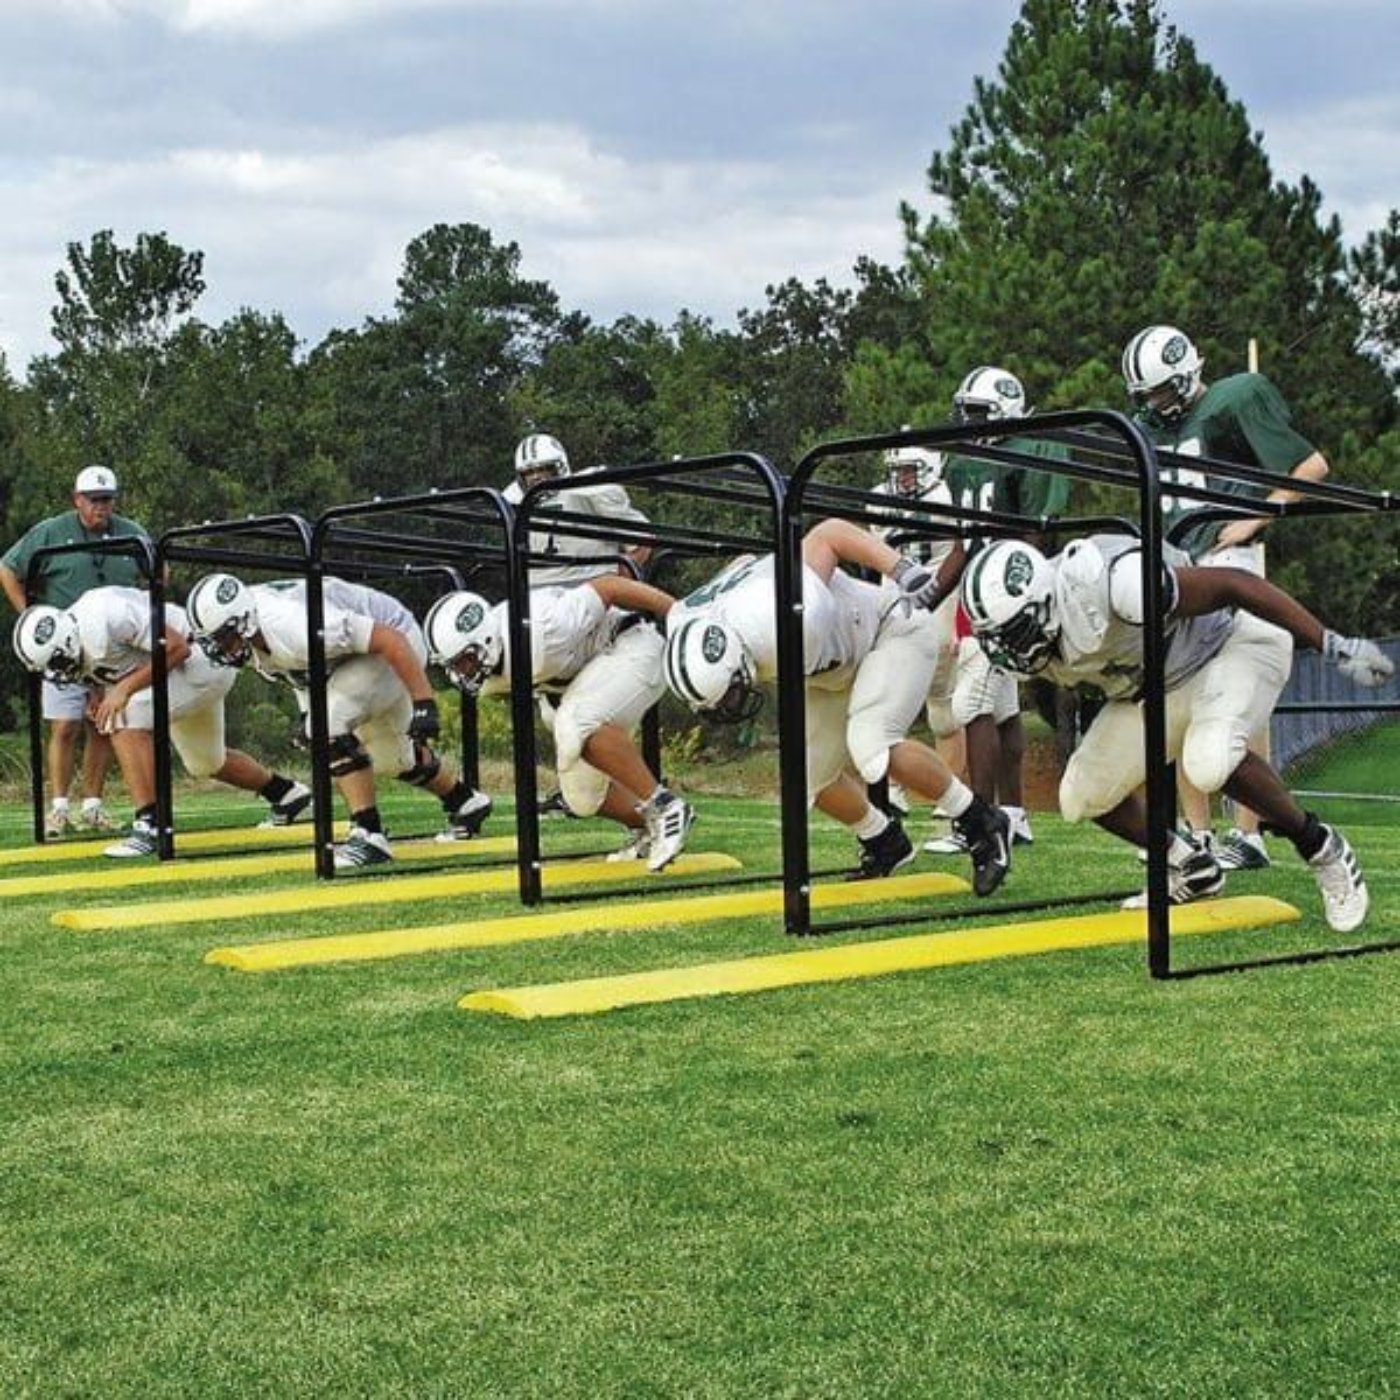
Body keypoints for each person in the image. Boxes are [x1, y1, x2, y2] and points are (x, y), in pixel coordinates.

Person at [961, 533, 1393, 931]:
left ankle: (1320, 845)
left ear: (1045, 603)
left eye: (1012, 634)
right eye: (995, 637)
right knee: (1082, 794)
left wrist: (1331, 644)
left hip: (1231, 645)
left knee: (1208, 762)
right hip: (1157, 684)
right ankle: (1191, 867)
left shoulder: (1114, 582)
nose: (1005, 649)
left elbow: (1233, 584)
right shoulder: (1035, 625)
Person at [663, 517, 1012, 895]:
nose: (731, 706)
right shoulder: (684, 622)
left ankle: (982, 820)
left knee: (872, 743)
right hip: (832, 665)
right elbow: (742, 563)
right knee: (802, 776)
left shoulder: (778, 619)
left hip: (890, 630)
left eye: (729, 694)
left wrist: (901, 569)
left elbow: (829, 534)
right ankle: (884, 840)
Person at [1123, 324, 1331, 871]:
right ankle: (1199, 834)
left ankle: (1251, 832)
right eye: (1149, 395)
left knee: (1233, 707)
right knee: (1182, 696)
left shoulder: (1233, 398)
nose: (1157, 404)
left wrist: (1254, 519)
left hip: (1227, 561)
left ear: (1188, 373)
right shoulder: (1148, 423)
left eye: (1164, 391)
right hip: (1177, 561)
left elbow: (1311, 467)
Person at [185, 573, 492, 870]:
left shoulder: (293, 624)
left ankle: (368, 834)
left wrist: (424, 701)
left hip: (396, 638)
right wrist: (307, 713)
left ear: (244, 620)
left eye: (224, 637)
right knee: (392, 758)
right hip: (364, 653)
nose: (221, 649)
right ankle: (465, 801)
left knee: (326, 726)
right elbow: (301, 673)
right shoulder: (257, 632)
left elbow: (389, 638)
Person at [424, 573, 695, 873]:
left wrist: (678, 614)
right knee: (582, 797)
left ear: (486, 638)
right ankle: (648, 827)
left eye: (464, 662)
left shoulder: (542, 627)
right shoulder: (492, 668)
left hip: (633, 646)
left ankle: (667, 806)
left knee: (576, 722)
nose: (460, 674)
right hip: (591, 676)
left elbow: (609, 586)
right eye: (453, 666)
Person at [11, 587, 312, 857]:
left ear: (66, 637)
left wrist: (123, 690)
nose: (59, 672)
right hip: (176, 674)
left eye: (58, 663)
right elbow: (101, 668)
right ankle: (287, 794)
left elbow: (177, 648)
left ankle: (150, 823)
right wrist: (95, 693)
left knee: (122, 717)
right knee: (205, 762)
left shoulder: (106, 614)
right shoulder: (74, 637)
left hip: (202, 659)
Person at [923, 367, 1071, 855]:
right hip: (974, 595)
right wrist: (929, 592)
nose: (967, 420)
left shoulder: (1033, 451)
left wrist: (1020, 600)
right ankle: (1013, 814)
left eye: (978, 411)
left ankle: (979, 821)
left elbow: (1035, 539)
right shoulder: (966, 464)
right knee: (1004, 709)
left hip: (1008, 598)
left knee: (972, 704)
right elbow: (965, 546)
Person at [0, 465, 150, 836]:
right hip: (63, 647)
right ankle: (59, 808)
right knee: (64, 725)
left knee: (103, 724)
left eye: (107, 499)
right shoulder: (51, 531)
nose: (102, 506)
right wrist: (31, 618)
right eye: (94, 500)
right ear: (77, 500)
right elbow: (7, 568)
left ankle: (93, 805)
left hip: (115, 646)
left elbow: (157, 574)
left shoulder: (132, 532)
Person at [505, 433, 653, 587]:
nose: (536, 477)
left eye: (543, 469)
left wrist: (616, 581)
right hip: (534, 593)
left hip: (587, 586)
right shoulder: (517, 501)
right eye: (529, 472)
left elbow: (643, 540)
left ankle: (673, 609)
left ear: (559, 466)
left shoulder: (588, 491)